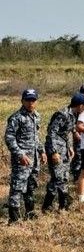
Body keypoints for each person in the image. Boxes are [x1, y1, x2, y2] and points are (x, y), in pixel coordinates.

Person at [4, 89, 46, 223]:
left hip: (33, 160)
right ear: (22, 101)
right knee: (17, 187)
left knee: (30, 186)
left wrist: (42, 151)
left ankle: (30, 211)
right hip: (21, 160)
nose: (31, 103)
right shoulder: (16, 118)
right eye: (28, 100)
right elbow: (9, 138)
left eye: (33, 100)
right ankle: (14, 218)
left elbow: (36, 138)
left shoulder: (36, 116)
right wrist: (20, 154)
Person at [42, 93, 84, 213]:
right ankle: (58, 204)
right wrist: (53, 152)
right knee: (58, 177)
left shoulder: (73, 115)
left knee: (63, 177)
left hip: (64, 149)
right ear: (80, 105)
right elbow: (51, 133)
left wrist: (69, 147)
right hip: (56, 149)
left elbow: (66, 132)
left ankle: (55, 205)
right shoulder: (62, 114)